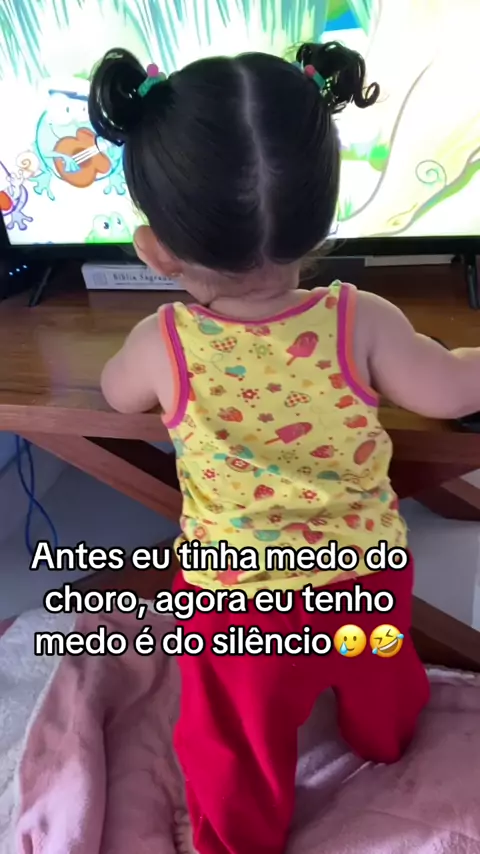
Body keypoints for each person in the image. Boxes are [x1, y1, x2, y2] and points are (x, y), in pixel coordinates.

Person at [88, 43, 478, 854]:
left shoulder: (163, 341)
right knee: (380, 666)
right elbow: (447, 390)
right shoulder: (360, 318)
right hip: (364, 577)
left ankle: (240, 838)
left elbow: (115, 395)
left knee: (232, 736)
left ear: (154, 249)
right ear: (326, 217)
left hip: (240, 608)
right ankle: (384, 738)